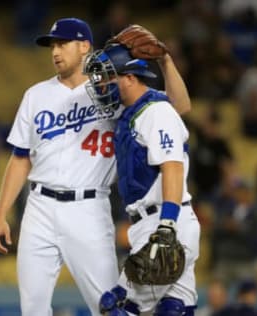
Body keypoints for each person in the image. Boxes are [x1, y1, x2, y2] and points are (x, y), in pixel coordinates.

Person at [0, 18, 191, 316]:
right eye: (52, 45)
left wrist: (165, 61)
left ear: (84, 46)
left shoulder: (113, 87)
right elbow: (21, 157)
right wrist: (0, 213)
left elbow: (180, 107)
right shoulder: (36, 95)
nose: (55, 51)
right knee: (31, 308)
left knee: (109, 305)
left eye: (63, 43)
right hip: (39, 206)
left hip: (88, 207)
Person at [83, 44, 199, 315]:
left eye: (108, 78)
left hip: (165, 221)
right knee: (176, 309)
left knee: (118, 305)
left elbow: (172, 166)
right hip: (161, 221)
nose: (102, 86)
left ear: (130, 77)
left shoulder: (155, 112)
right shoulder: (136, 110)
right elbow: (182, 105)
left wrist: (167, 225)